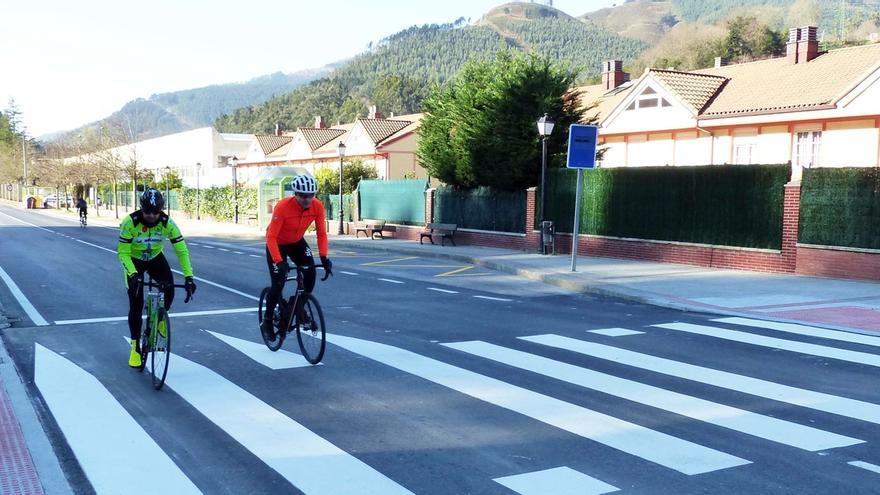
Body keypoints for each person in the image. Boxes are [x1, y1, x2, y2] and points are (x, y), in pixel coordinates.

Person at [117, 188, 196, 368]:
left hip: (155, 258)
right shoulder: (130, 223)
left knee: (169, 289)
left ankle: (160, 318)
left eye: (156, 212)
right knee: (135, 303)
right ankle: (135, 347)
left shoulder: (168, 224)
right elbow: (123, 253)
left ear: (161, 210)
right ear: (141, 209)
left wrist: (189, 276)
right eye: (147, 212)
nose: (151, 216)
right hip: (134, 260)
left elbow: (181, 251)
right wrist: (132, 274)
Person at [260, 175, 331, 341]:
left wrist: (324, 257)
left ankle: (296, 306)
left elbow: (321, 233)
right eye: (303, 196)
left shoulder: (317, 206)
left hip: (297, 242)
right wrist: (279, 261)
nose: (307, 200)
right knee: (278, 283)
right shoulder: (283, 207)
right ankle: (268, 321)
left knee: (311, 274)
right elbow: (271, 237)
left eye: (311, 195)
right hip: (277, 242)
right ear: (296, 194)